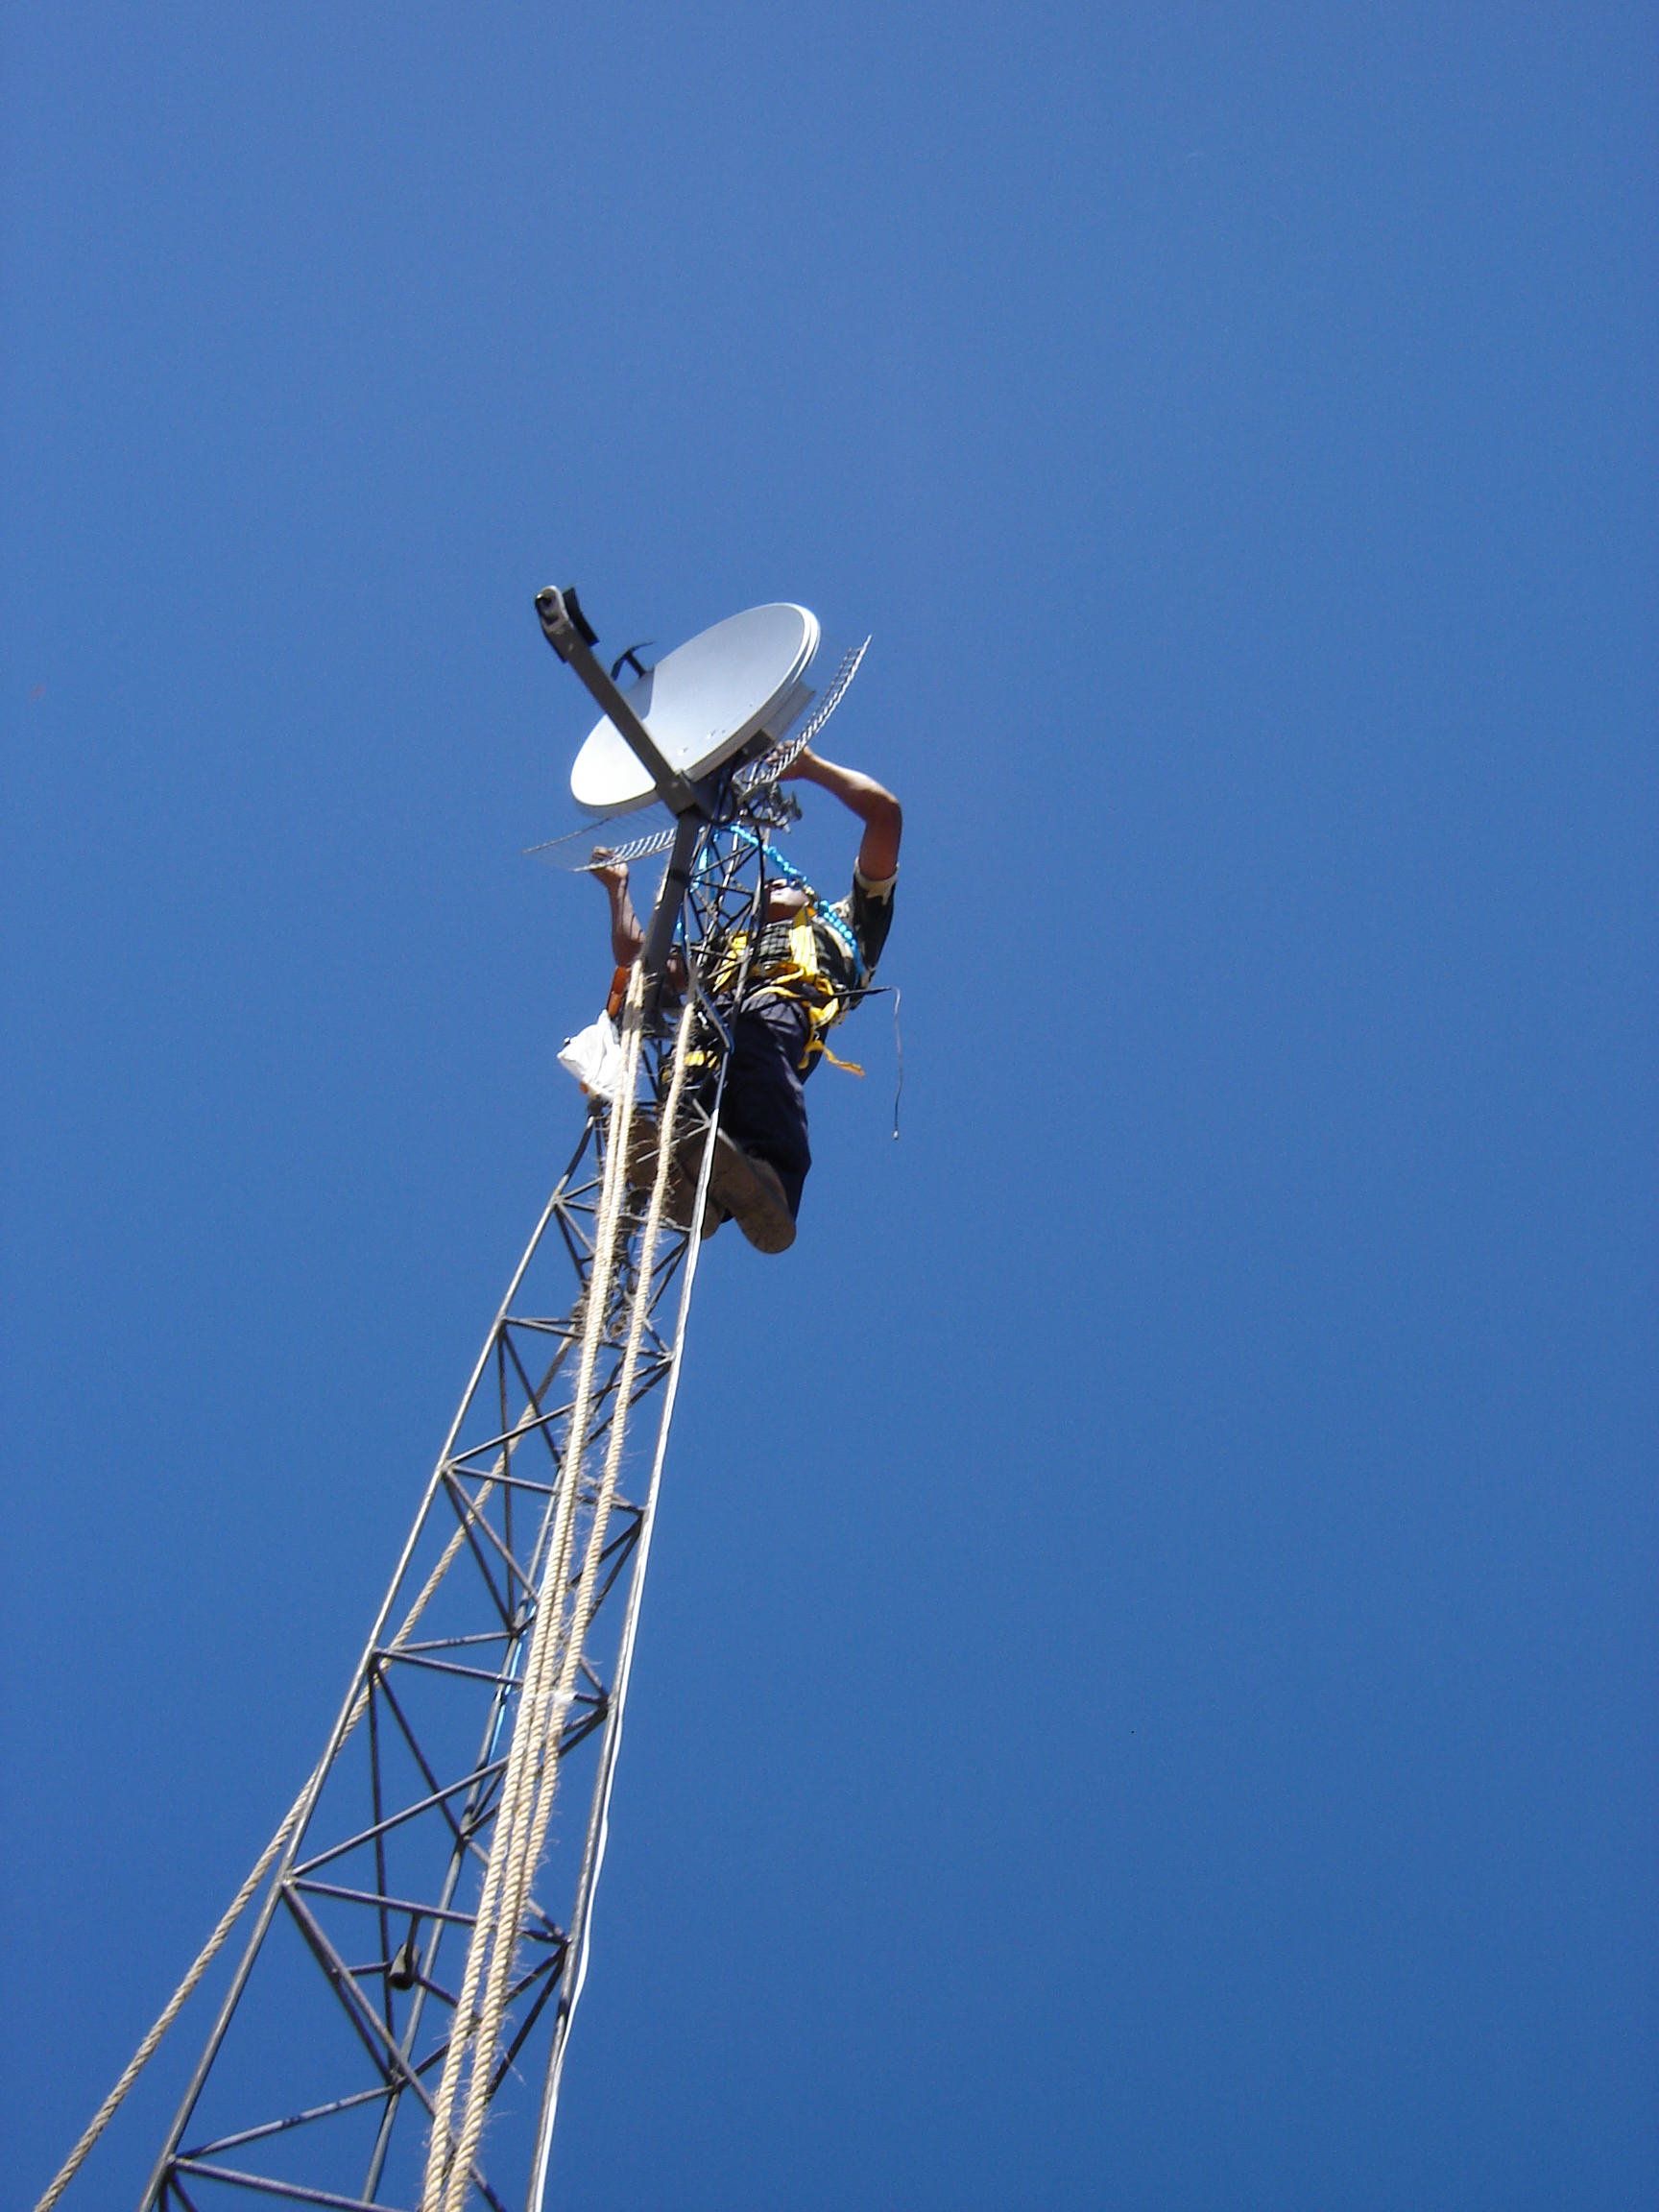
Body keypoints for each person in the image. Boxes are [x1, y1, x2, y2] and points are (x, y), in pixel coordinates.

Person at [589, 747, 902, 1253]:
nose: (771, 886)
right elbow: (639, 958)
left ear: (809, 897)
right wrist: (618, 890)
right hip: (712, 1039)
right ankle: (696, 1184)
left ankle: (774, 1176)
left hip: (779, 1009)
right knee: (685, 1075)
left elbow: (885, 815)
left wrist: (810, 768)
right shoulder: (725, 949)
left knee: (757, 1037)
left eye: (785, 884)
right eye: (767, 886)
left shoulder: (847, 924)